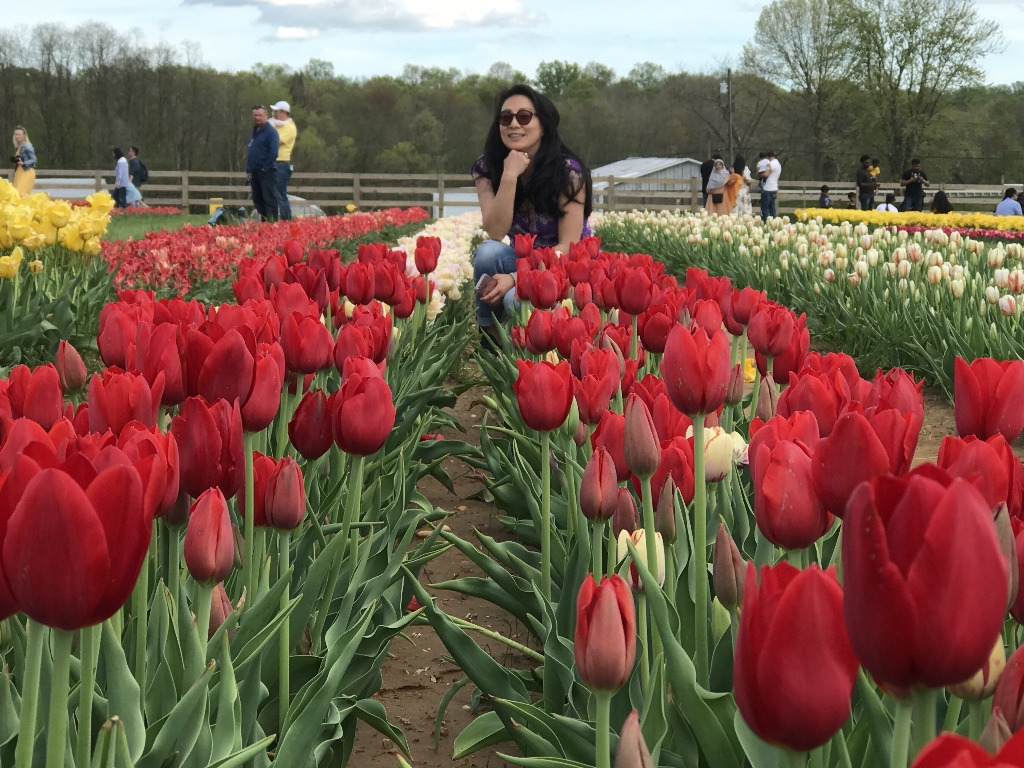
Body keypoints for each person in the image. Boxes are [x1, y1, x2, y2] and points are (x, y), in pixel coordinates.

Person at [471, 83, 592, 341]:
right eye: (506, 118)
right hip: (523, 260)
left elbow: (569, 246)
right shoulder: (486, 168)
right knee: (488, 252)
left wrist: (515, 278)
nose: (514, 124)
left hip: (564, 268)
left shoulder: (568, 172)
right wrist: (509, 176)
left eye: (524, 116)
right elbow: (496, 232)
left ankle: (534, 345)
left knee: (515, 300)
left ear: (544, 124)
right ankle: (490, 336)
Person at [246, 105, 280, 221]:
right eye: (255, 115)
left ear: (266, 115)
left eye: (260, 115)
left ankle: (273, 224)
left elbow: (274, 152)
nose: (257, 118)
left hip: (267, 172)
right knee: (258, 201)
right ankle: (265, 223)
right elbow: (251, 150)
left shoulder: (271, 132)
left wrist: (265, 168)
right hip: (254, 172)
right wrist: (248, 170)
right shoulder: (254, 131)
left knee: (269, 199)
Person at [269, 101, 297, 220]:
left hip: (281, 163)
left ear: (284, 113)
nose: (274, 114)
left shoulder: (289, 127)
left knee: (280, 194)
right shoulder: (277, 126)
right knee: (271, 194)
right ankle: (273, 220)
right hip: (272, 162)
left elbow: (276, 142)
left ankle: (286, 221)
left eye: (276, 111)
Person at [12, 126, 36, 197]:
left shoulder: (27, 146)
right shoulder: (19, 147)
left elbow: (33, 159)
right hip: (19, 172)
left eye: (19, 134)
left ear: (24, 135)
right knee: (16, 193)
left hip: (27, 172)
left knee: (20, 194)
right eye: (16, 134)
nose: (17, 136)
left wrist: (24, 163)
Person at [759, 150, 781, 219]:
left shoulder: (771, 164)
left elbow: (766, 174)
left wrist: (760, 174)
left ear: (768, 157)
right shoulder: (778, 163)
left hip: (768, 188)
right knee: (772, 208)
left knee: (765, 208)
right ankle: (773, 221)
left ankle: (766, 221)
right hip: (774, 188)